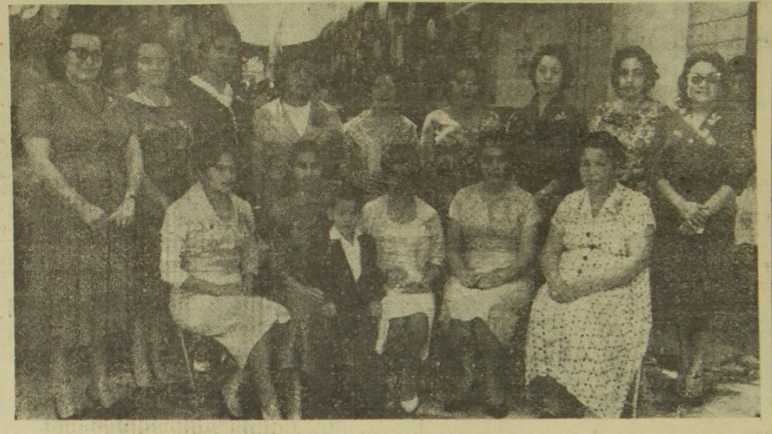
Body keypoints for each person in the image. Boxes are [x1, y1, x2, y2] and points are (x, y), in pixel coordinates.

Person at [17, 26, 143, 418]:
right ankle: (61, 386)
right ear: (63, 56)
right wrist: (78, 204)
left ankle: (100, 381)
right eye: (79, 53)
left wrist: (131, 199)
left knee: (101, 300)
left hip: (109, 215)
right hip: (64, 215)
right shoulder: (42, 96)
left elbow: (132, 152)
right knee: (64, 304)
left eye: (96, 55)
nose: (89, 61)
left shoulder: (113, 100)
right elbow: (39, 160)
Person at [160, 145, 300, 420]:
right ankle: (267, 400)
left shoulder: (242, 207)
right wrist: (218, 290)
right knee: (261, 317)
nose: (228, 175)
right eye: (219, 168)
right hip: (194, 299)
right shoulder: (180, 210)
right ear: (201, 171)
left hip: (236, 295)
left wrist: (246, 283)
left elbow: (249, 255)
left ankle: (239, 382)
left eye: (232, 169)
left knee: (272, 316)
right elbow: (169, 270)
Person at [648, 52, 754, 403]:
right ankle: (681, 362)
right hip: (673, 220)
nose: (702, 85)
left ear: (721, 83)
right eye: (696, 78)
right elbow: (655, 170)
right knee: (675, 294)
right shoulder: (669, 120)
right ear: (685, 82)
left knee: (703, 296)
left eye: (710, 78)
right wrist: (681, 206)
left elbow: (738, 173)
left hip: (714, 221)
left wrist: (705, 212)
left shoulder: (734, 123)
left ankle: (695, 369)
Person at [526, 132, 655, 418]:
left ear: (616, 167)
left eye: (600, 165)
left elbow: (638, 260)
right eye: (585, 164)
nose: (591, 172)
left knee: (582, 312)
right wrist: (555, 281)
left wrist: (583, 287)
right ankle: (559, 394)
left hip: (613, 285)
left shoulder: (635, 203)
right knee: (545, 304)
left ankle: (595, 399)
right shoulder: (571, 202)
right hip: (566, 281)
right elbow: (549, 251)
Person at [110, 37, 195, 392]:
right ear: (135, 66)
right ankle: (140, 359)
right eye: (146, 61)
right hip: (147, 207)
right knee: (144, 285)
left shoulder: (180, 106)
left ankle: (162, 356)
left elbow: (190, 159)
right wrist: (163, 204)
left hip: (179, 204)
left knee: (169, 285)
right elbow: (132, 165)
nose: (154, 67)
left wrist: (189, 202)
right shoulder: (123, 107)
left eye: (161, 60)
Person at [440, 136, 541, 417]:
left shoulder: (525, 200)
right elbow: (452, 247)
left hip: (511, 275)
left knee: (490, 308)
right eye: (488, 160)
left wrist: (499, 277)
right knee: (458, 301)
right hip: (469, 272)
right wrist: (462, 273)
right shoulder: (463, 197)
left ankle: (493, 384)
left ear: (510, 163)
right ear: (479, 163)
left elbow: (527, 255)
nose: (494, 166)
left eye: (501, 160)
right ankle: (466, 378)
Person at [361, 144, 445, 416]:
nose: (399, 183)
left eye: (406, 177)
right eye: (393, 175)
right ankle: (390, 380)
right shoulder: (371, 211)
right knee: (395, 324)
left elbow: (437, 259)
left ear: (415, 179)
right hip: (381, 286)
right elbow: (359, 253)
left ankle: (407, 378)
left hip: (418, 286)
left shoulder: (428, 214)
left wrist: (425, 282)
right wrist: (381, 276)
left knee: (418, 322)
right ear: (386, 177)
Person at [266, 141, 338, 418]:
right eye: (301, 166)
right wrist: (297, 287)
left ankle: (306, 398)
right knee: (300, 313)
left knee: (310, 310)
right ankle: (295, 401)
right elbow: (276, 263)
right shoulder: (281, 209)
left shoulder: (330, 207)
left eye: (314, 166)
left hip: (324, 284)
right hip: (287, 284)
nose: (308, 173)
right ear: (291, 169)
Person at [316, 185, 388, 418]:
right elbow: (320, 277)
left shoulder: (366, 242)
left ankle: (368, 400)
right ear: (331, 214)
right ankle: (344, 400)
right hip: (339, 307)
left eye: (354, 213)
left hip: (364, 305)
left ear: (360, 215)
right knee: (344, 350)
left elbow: (373, 275)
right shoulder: (325, 243)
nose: (348, 219)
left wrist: (376, 299)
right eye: (342, 213)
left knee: (367, 347)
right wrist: (328, 300)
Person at [252, 59, 347, 214]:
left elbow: (340, 162)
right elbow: (257, 166)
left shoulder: (329, 115)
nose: (302, 77)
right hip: (277, 204)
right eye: (296, 71)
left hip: (320, 206)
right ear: (284, 76)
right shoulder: (265, 114)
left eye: (308, 73)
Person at [505, 44, 587, 219]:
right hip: (521, 194)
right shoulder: (520, 116)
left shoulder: (574, 116)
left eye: (555, 72)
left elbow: (572, 165)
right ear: (534, 73)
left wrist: (543, 193)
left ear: (564, 76)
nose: (547, 77)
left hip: (558, 195)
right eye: (542, 70)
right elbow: (511, 158)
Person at [177, 22, 252, 199]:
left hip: (237, 194)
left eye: (231, 51)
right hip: (199, 194)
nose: (225, 57)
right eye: (219, 49)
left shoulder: (239, 101)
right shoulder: (185, 93)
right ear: (204, 52)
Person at [419, 67, 501, 215]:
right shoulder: (435, 119)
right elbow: (425, 165)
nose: (466, 88)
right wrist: (444, 197)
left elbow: (498, 164)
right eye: (460, 82)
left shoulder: (491, 120)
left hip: (484, 202)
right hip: (444, 200)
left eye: (473, 83)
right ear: (451, 84)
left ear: (479, 87)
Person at [589, 46, 668, 193]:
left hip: (643, 195)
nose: (630, 80)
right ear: (616, 78)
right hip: (603, 191)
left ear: (647, 78)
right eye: (624, 73)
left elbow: (661, 165)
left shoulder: (660, 114)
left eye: (637, 74)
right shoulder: (603, 112)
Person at [343, 73, 419, 201]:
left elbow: (415, 168)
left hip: (397, 196)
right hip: (361, 196)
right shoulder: (353, 127)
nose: (383, 92)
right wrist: (360, 180)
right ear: (369, 91)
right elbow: (345, 166)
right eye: (377, 86)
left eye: (389, 87)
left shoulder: (407, 128)